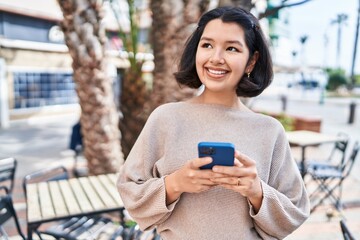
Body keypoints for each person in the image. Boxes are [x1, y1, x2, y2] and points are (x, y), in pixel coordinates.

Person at [117, 6, 310, 240]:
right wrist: (175, 184)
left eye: (231, 48)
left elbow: (296, 209)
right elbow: (129, 191)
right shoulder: (166, 118)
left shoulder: (269, 131)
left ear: (251, 61)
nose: (215, 58)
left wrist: (256, 191)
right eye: (207, 45)